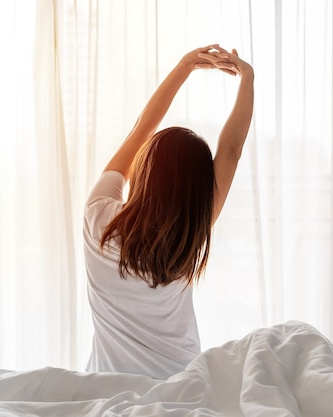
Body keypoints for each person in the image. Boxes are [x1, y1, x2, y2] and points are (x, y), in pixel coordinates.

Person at [83, 44, 254, 379]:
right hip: (181, 385)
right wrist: (247, 77)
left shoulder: (97, 217)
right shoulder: (191, 234)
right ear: (199, 193)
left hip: (106, 383)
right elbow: (231, 151)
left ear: (143, 167)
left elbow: (140, 131)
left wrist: (185, 65)